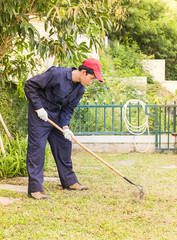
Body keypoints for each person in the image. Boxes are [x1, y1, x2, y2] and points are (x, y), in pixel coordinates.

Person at [24, 58, 103, 200]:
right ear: (84, 72)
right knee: (37, 149)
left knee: (64, 144)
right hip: (39, 113)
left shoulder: (80, 89)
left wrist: (66, 127)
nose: (91, 82)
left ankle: (69, 182)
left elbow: (68, 109)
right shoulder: (57, 73)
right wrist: (39, 107)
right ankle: (35, 189)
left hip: (56, 115)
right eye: (91, 78)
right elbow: (30, 85)